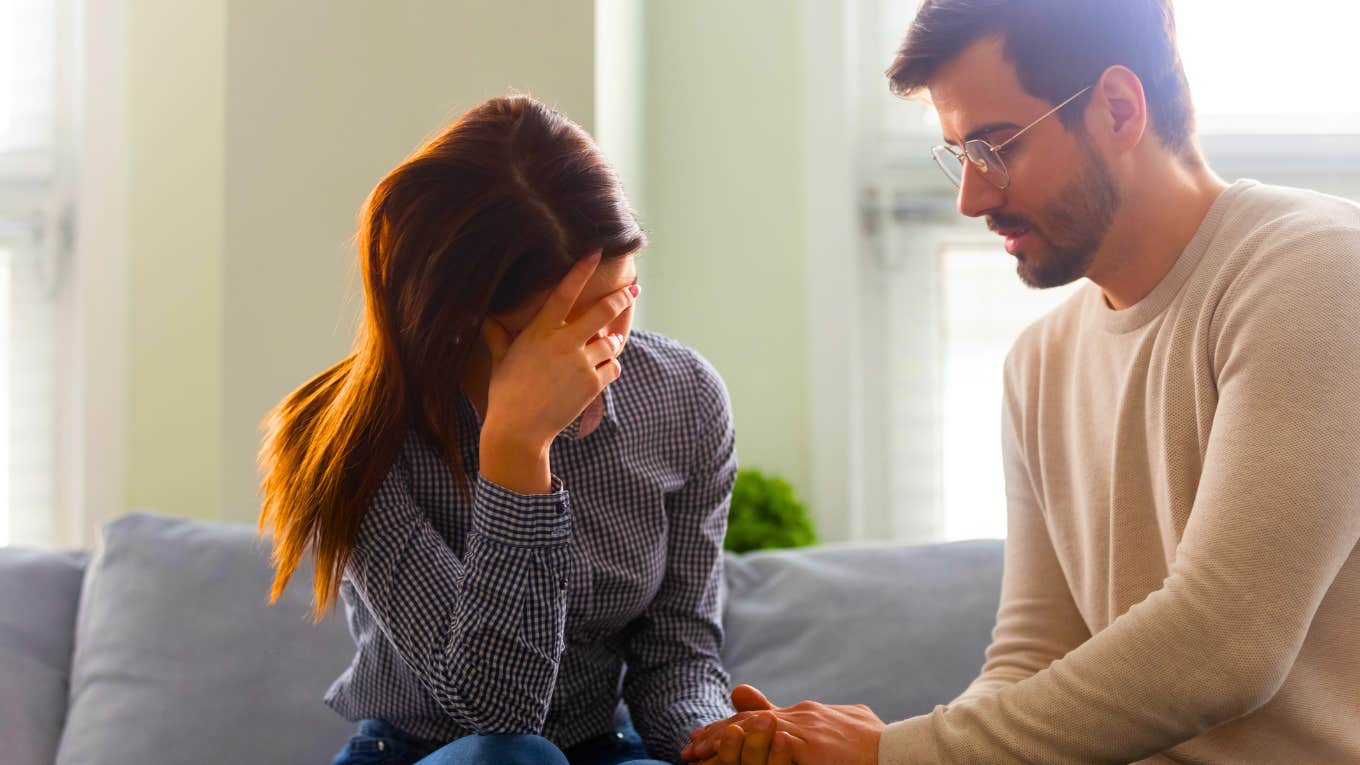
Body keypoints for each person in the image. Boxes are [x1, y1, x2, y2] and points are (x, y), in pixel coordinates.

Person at [681, 0, 1360, 762]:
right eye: (958, 155)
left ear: (1117, 107)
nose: (971, 197)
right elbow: (1028, 657)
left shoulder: (1317, 272)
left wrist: (891, 753)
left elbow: (1227, 639)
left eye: (995, 146)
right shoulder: (1039, 361)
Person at [257, 95, 738, 765]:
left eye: (623, 296)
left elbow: (677, 656)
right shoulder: (354, 435)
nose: (606, 345)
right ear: (464, 315)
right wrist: (516, 450)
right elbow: (499, 712)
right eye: (564, 326)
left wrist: (716, 739)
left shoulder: (683, 398)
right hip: (426, 751)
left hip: (600, 747)